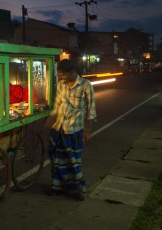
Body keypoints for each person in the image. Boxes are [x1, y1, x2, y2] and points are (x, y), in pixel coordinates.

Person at [47, 59, 97, 201]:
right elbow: (57, 106)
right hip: (59, 129)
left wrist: (87, 131)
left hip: (75, 131)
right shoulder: (61, 85)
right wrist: (49, 122)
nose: (61, 77)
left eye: (63, 75)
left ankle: (79, 190)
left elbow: (91, 111)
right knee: (57, 161)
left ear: (72, 72)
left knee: (73, 162)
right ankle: (57, 187)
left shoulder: (86, 85)